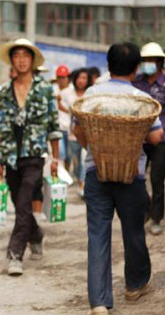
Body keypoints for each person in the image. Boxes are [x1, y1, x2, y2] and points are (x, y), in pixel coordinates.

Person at [73, 42, 163, 315]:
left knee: (97, 235)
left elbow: (77, 129)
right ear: (136, 68)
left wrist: (97, 147)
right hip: (131, 175)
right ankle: (135, 285)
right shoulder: (142, 100)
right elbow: (156, 137)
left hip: (95, 172)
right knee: (133, 231)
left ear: (108, 66)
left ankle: (99, 301)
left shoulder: (90, 95)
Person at [0, 38, 61, 276]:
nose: (21, 60)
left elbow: (54, 125)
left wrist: (55, 159)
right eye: (17, 55)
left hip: (34, 156)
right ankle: (36, 234)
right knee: (18, 201)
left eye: (26, 55)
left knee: (24, 201)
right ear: (12, 60)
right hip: (11, 157)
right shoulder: (3, 92)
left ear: (32, 60)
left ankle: (15, 254)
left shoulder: (45, 90)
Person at [133, 42, 165, 236]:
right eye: (145, 60)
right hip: (139, 139)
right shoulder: (135, 82)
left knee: (156, 179)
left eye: (152, 60)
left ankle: (156, 218)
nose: (148, 63)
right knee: (136, 178)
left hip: (161, 140)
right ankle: (145, 209)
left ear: (159, 62)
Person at [60, 68, 92, 196]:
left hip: (88, 133)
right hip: (73, 133)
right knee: (76, 160)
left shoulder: (91, 93)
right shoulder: (68, 93)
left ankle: (82, 184)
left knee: (84, 158)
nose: (81, 81)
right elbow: (57, 100)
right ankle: (78, 178)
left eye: (84, 78)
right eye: (79, 78)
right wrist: (67, 111)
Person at [54, 65, 73, 168]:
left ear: (67, 78)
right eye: (59, 77)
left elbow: (74, 111)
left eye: (63, 77)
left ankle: (67, 175)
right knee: (61, 153)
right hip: (58, 127)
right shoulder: (54, 90)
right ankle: (60, 174)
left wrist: (61, 107)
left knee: (68, 156)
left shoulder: (72, 91)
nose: (61, 80)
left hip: (69, 128)